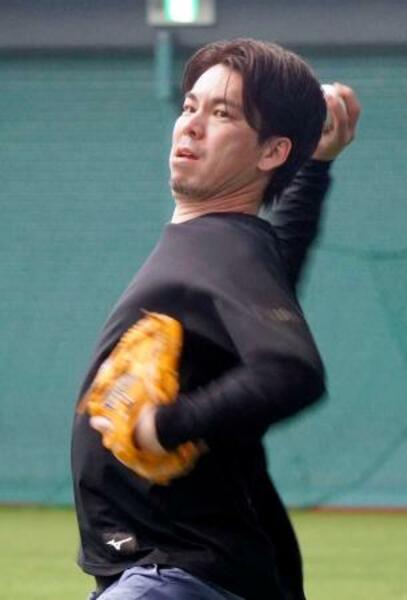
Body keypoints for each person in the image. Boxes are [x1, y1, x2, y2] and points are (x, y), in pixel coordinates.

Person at [71, 39, 360, 600]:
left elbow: (291, 369)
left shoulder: (222, 248)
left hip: (177, 575)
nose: (192, 124)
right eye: (190, 106)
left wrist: (163, 426)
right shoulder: (231, 247)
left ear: (272, 152)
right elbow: (278, 268)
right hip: (185, 570)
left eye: (222, 113)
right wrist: (314, 167)